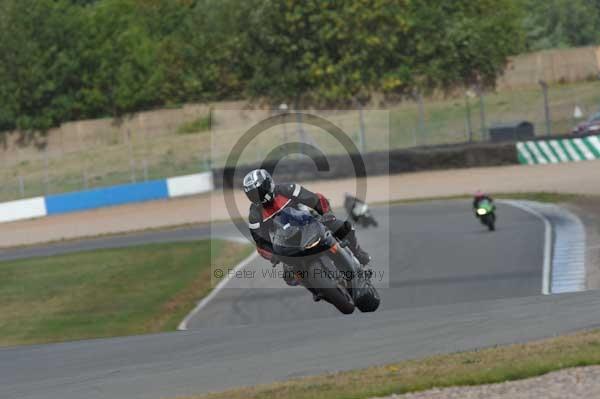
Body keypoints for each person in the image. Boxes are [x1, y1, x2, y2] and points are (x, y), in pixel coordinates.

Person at [243, 169, 370, 287]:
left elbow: (316, 199)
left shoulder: (288, 189)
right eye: (253, 194)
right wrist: (273, 255)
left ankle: (358, 254)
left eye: (260, 191)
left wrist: (327, 214)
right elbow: (260, 243)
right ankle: (317, 289)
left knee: (343, 227)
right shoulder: (255, 214)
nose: (258, 196)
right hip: (288, 242)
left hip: (311, 223)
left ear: (268, 183)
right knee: (290, 277)